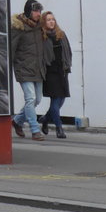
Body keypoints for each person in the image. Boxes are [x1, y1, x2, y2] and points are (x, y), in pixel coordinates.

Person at [10, 0, 48, 141]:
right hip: (24, 69)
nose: (38, 14)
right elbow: (11, 50)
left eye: (39, 11)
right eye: (36, 11)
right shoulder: (18, 28)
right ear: (28, 12)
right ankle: (35, 130)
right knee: (30, 98)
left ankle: (17, 121)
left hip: (38, 69)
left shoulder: (39, 27)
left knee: (37, 99)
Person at [38, 10, 73, 138]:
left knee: (61, 100)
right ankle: (59, 128)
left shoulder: (61, 34)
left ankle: (45, 119)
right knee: (55, 100)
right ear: (44, 22)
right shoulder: (41, 36)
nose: (51, 22)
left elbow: (68, 51)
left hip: (62, 71)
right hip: (50, 72)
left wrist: (67, 66)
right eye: (48, 20)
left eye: (53, 19)